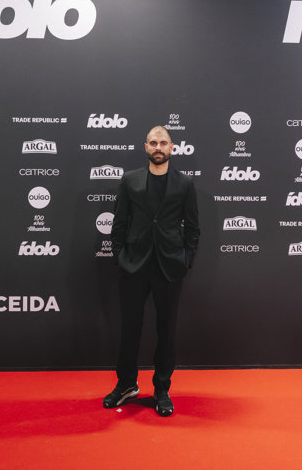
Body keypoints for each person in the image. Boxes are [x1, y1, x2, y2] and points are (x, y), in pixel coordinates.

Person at [103, 125, 200, 417]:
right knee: (130, 329)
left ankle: (161, 390)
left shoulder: (185, 184)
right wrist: (121, 256)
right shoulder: (129, 180)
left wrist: (186, 259)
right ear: (145, 147)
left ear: (172, 148)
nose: (158, 147)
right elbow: (118, 224)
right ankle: (126, 385)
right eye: (153, 142)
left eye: (163, 143)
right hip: (134, 265)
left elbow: (193, 228)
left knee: (166, 331)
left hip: (169, 266)